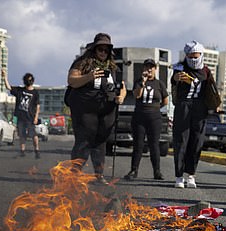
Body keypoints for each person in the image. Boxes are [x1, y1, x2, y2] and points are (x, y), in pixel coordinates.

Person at [66, 33, 126, 185]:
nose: (103, 53)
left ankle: (99, 174)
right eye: (100, 49)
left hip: (106, 108)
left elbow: (122, 87)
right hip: (85, 108)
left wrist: (121, 97)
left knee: (101, 141)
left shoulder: (113, 67)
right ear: (94, 49)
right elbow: (72, 81)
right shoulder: (82, 63)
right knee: (84, 140)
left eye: (106, 50)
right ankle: (75, 174)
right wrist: (89, 77)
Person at [171, 41, 213, 189]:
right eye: (190, 57)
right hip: (183, 107)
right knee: (181, 140)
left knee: (197, 142)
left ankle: (191, 174)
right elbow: (174, 81)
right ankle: (179, 176)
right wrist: (176, 79)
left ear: (201, 55)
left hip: (200, 109)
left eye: (196, 57)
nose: (194, 60)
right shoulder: (179, 67)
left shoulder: (206, 71)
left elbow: (211, 89)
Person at [125, 59, 169, 181]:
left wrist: (155, 109)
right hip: (139, 117)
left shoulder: (159, 84)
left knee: (154, 144)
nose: (149, 69)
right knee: (138, 145)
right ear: (143, 69)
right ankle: (134, 170)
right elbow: (137, 95)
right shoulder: (138, 82)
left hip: (154, 118)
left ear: (155, 69)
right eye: (147, 67)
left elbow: (165, 101)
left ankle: (157, 171)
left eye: (151, 67)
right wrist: (143, 83)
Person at [2, 69, 40, 158]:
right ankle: (22, 151)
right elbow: (9, 87)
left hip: (30, 117)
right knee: (22, 135)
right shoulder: (19, 90)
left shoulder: (35, 93)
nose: (28, 82)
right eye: (27, 80)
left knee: (33, 135)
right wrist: (4, 77)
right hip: (20, 117)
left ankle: (37, 150)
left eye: (30, 80)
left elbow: (37, 106)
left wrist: (36, 117)